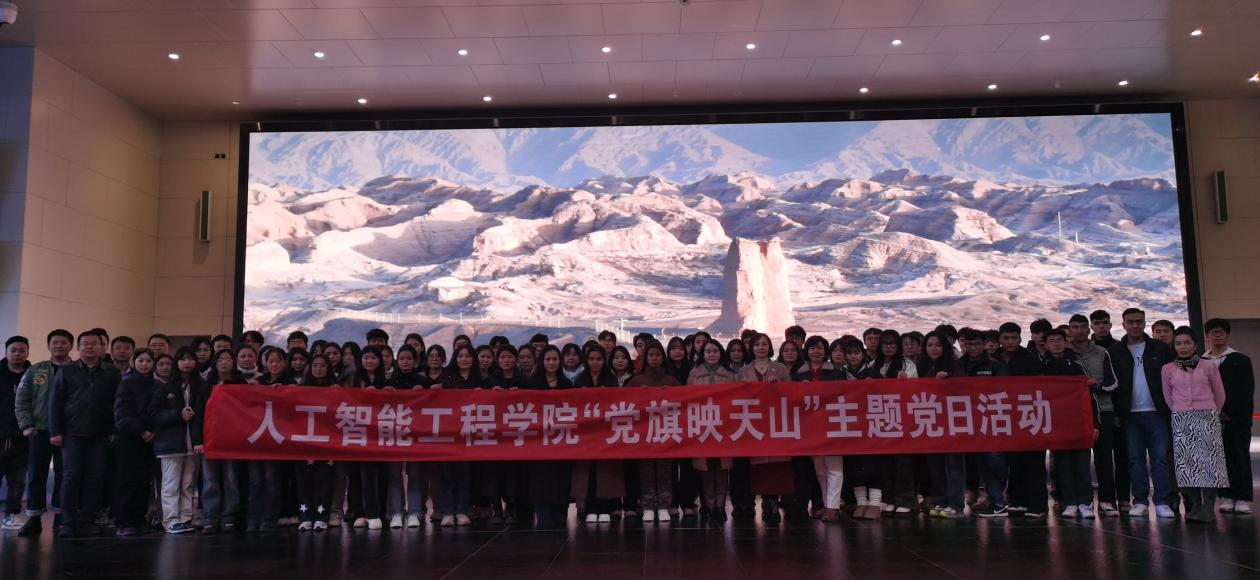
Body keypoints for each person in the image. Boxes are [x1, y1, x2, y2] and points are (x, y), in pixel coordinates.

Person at [48, 330, 121, 537]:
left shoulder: (112, 372)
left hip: (101, 434)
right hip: (72, 433)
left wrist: (115, 430)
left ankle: (88, 520)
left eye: (93, 343)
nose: (89, 347)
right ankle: (68, 522)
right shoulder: (67, 371)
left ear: (102, 347)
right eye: (85, 344)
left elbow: (118, 403)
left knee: (95, 477)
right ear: (78, 348)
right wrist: (55, 431)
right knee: (70, 477)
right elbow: (55, 403)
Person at [1108, 307, 1176, 518]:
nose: (1135, 325)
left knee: (1160, 459)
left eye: (1139, 321)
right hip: (1130, 415)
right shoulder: (1115, 351)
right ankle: (1140, 501)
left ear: (1145, 323)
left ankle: (1162, 502)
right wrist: (1117, 413)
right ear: (1123, 324)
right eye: (1130, 322)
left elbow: (1173, 378)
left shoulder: (1160, 348)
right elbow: (1112, 383)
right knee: (1135, 460)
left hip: (1157, 412)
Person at [1162, 326, 1229, 523]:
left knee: (1210, 465)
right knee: (1187, 465)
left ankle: (1208, 509)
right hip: (1182, 419)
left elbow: (1219, 393)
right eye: (1178, 343)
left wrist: (1211, 412)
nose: (1183, 347)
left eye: (1187, 343)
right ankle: (1196, 506)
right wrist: (1181, 411)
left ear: (1196, 345)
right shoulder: (1167, 369)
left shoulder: (1209, 366)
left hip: (1207, 418)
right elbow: (1168, 396)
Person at [1067, 314, 1125, 516]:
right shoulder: (1064, 353)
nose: (1079, 330)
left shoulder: (1102, 352)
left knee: (1104, 457)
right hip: (1074, 413)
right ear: (1069, 330)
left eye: (1083, 327)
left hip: (1103, 409)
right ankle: (1077, 501)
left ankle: (1107, 500)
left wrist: (1097, 386)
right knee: (1075, 459)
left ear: (1088, 329)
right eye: (1075, 327)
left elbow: (1113, 382)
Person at [1041, 329, 1101, 520]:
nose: (1056, 343)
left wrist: (1095, 424)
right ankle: (1070, 502)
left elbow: (1090, 395)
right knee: (1063, 465)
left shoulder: (1077, 364)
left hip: (1079, 422)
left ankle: (1085, 503)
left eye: (1059, 340)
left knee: (1082, 465)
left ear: (1066, 341)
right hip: (1056, 424)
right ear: (1045, 344)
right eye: (1052, 340)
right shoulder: (1041, 366)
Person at [737, 333, 793, 522]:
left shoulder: (780, 368)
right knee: (758, 464)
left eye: (764, 344)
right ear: (751, 348)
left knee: (776, 465)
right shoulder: (744, 371)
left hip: (776, 423)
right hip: (754, 424)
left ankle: (772, 502)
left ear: (769, 347)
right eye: (757, 344)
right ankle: (763, 502)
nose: (760, 347)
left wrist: (780, 386)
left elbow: (792, 395)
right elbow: (735, 400)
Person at [1201, 318, 1255, 515]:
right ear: (1207, 336)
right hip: (1209, 418)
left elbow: (1246, 391)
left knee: (1239, 457)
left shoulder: (1240, 360)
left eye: (1221, 331)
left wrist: (1235, 416)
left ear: (1227, 334)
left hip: (1236, 419)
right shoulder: (1201, 361)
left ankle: (1242, 498)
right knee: (1219, 459)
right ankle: (1227, 496)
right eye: (1213, 332)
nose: (1217, 335)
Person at [149, 348, 204, 534]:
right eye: (182, 359)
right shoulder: (165, 387)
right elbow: (154, 414)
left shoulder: (201, 386)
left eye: (190, 359)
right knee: (171, 483)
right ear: (176, 363)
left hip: (193, 443)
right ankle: (171, 520)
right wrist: (177, 414)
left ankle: (185, 517)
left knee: (188, 483)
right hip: (171, 443)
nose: (187, 362)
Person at [994, 322, 1046, 518]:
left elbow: (1042, 385)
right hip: (1004, 415)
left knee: (1033, 461)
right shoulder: (992, 358)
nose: (1010, 342)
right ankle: (1017, 500)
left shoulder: (1029, 358)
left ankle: (1037, 504)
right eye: (1006, 338)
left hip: (1028, 413)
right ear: (1000, 339)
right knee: (1013, 461)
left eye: (1014, 338)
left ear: (1020, 339)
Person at [791, 336, 844, 522]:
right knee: (820, 469)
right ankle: (826, 504)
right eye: (812, 348)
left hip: (833, 425)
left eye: (820, 348)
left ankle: (833, 507)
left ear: (825, 351)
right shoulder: (799, 374)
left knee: (834, 467)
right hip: (811, 428)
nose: (816, 352)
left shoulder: (836, 373)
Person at [959, 327, 1009, 519]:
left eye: (977, 344)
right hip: (967, 421)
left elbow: (1007, 390)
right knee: (982, 464)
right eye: (969, 344)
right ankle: (997, 502)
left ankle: (999, 496)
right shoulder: (958, 365)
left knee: (996, 460)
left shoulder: (995, 365)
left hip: (991, 419)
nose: (973, 348)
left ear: (984, 345)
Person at [629, 341, 681, 523]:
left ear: (663, 357)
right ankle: (648, 505)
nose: (654, 358)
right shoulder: (636, 381)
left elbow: (684, 403)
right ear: (646, 358)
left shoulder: (671, 380)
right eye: (651, 355)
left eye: (658, 355)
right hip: (644, 434)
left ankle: (664, 505)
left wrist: (670, 394)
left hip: (666, 433)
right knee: (645, 471)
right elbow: (625, 405)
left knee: (665, 470)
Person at [573, 345, 625, 524]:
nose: (595, 362)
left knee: (605, 472)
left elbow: (617, 404)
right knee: (587, 472)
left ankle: (605, 508)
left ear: (604, 360)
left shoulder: (611, 379)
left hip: (606, 432)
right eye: (592, 359)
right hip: (586, 434)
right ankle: (589, 508)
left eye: (599, 359)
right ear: (586, 361)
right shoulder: (579, 380)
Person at [918, 332, 966, 519]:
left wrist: (950, 378)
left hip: (952, 424)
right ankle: (941, 501)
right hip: (930, 423)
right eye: (930, 345)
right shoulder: (921, 365)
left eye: (937, 345)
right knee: (935, 466)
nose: (933, 349)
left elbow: (964, 386)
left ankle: (956, 505)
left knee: (954, 466)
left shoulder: (954, 365)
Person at [110, 349, 157, 536]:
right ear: (134, 362)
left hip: (150, 439)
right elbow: (121, 414)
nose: (144, 364)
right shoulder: (127, 382)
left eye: (148, 361)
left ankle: (140, 518)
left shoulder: (157, 384)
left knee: (144, 481)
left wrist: (153, 431)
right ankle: (124, 521)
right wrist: (141, 431)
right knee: (126, 480)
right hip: (128, 438)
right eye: (141, 360)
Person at [526, 345, 573, 528]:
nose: (551, 363)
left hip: (561, 438)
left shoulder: (566, 384)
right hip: (539, 440)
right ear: (542, 361)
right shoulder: (532, 384)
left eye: (555, 359)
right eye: (548, 359)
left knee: (561, 476)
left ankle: (560, 510)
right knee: (541, 477)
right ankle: (543, 511)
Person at [200, 349, 243, 534]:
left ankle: (229, 516)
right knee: (210, 480)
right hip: (209, 438)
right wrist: (198, 439)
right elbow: (198, 412)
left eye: (228, 359)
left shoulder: (241, 383)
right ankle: (210, 517)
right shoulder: (205, 385)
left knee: (230, 479)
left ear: (233, 362)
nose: (224, 362)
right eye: (220, 359)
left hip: (232, 439)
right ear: (215, 363)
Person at [438, 344, 479, 527]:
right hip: (449, 434)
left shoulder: (479, 379)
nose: (464, 359)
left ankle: (462, 510)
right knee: (447, 475)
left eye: (468, 356)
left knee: (465, 474)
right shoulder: (446, 378)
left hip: (470, 434)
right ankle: (447, 511)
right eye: (460, 356)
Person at [296, 354, 336, 532]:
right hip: (304, 442)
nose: (318, 369)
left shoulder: (335, 388)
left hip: (327, 442)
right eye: (315, 365)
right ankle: (305, 517)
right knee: (304, 481)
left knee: (325, 481)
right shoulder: (300, 389)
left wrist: (339, 393)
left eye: (323, 365)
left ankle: (322, 517)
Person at [1, 336, 31, 531]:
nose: (17, 354)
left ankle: (11, 516)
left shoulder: (33, 375)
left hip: (23, 435)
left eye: (21, 350)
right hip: (0, 433)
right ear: (6, 352)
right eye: (13, 350)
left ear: (27, 352)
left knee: (17, 479)